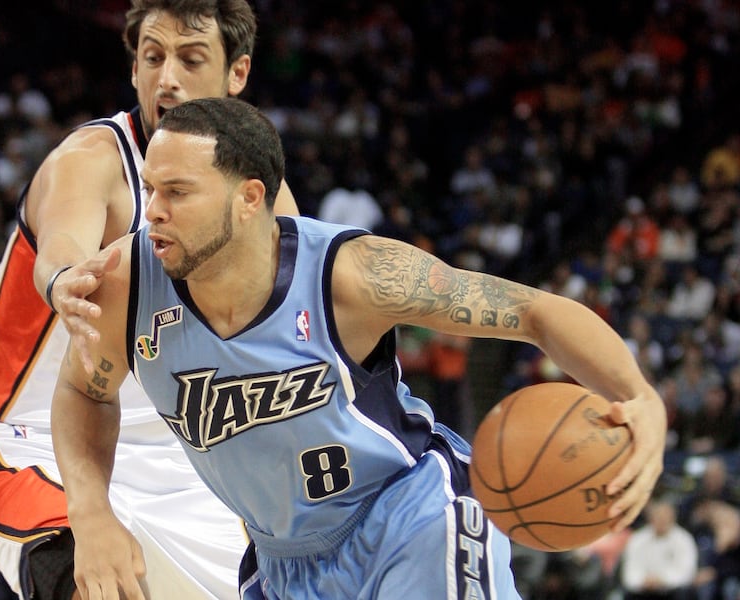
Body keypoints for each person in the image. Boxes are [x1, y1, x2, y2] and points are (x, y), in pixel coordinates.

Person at [51, 97, 667, 599]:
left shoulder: (352, 275)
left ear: (249, 198)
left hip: (407, 520)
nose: (151, 211)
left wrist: (639, 396)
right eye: (151, 188)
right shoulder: (126, 284)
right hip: (282, 565)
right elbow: (83, 390)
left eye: (178, 193)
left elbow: (535, 311)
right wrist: (91, 512)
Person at [0, 2, 299, 599]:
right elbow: (62, 244)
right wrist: (62, 280)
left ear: (237, 74)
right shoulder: (93, 160)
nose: (168, 78)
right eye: (152, 57)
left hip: (191, 466)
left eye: (190, 58)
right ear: (133, 69)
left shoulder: (261, 194)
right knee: (102, 583)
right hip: (28, 439)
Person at [620, 498, 699, 600]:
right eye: (658, 517)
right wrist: (642, 581)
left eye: (665, 517)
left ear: (673, 518)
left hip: (672, 592)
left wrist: (663, 580)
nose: (662, 520)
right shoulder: (637, 539)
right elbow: (630, 571)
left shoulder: (684, 540)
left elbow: (687, 573)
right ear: (651, 518)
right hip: (643, 591)